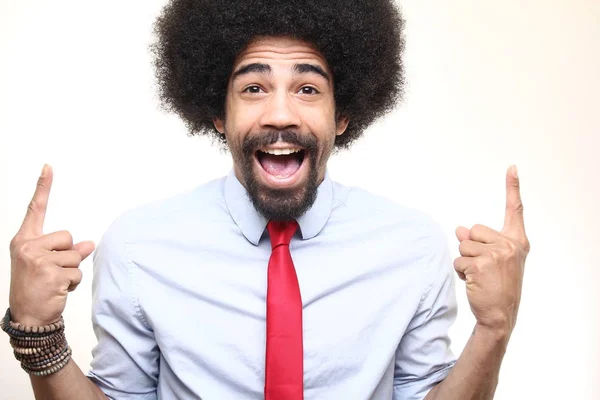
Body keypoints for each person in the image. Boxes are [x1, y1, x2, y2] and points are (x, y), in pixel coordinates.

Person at [4, 0, 530, 399]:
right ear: (217, 113)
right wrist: (37, 333)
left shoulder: (412, 247)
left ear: (342, 117)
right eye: (254, 88)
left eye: (308, 89)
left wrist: (493, 329)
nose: (281, 114)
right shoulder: (140, 248)